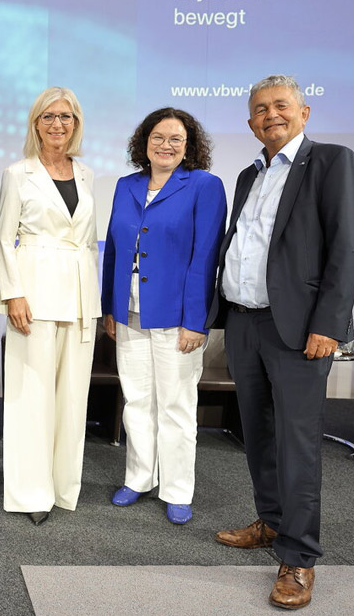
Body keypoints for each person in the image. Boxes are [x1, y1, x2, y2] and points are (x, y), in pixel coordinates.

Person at [208, 75, 354, 609]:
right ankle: (271, 522)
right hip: (245, 324)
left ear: (304, 112)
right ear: (250, 123)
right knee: (259, 435)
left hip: (299, 329)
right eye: (261, 109)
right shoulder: (249, 174)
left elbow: (346, 248)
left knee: (298, 445)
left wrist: (330, 324)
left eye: (281, 105)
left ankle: (299, 557)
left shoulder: (332, 162)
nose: (271, 114)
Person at [101, 108, 226, 525]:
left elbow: (205, 258)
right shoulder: (127, 185)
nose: (166, 145)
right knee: (137, 401)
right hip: (130, 312)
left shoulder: (204, 186)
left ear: (189, 146)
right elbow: (114, 250)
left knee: (175, 404)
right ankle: (138, 478)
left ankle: (176, 489)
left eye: (176, 139)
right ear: (144, 142)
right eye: (158, 137)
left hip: (177, 316)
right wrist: (110, 307)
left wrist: (196, 321)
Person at [0, 87, 101, 525]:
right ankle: (31, 492)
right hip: (33, 296)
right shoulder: (17, 173)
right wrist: (13, 294)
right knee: (31, 397)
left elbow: (89, 242)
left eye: (66, 116)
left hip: (79, 298)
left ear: (76, 123)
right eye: (49, 116)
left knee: (72, 398)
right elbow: (4, 239)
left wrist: (93, 300)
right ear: (36, 123)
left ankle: (61, 486)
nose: (58, 124)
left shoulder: (87, 174)